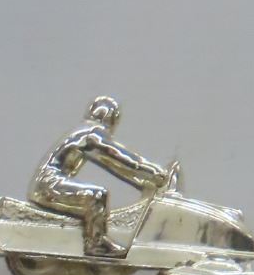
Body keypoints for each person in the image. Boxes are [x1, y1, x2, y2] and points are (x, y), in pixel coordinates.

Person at [28, 96, 173, 257]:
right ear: (111, 119)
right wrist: (152, 172)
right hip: (49, 184)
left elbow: (117, 165)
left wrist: (144, 178)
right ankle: (96, 244)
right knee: (96, 196)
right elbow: (119, 158)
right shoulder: (92, 133)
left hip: (47, 183)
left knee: (96, 195)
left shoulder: (83, 131)